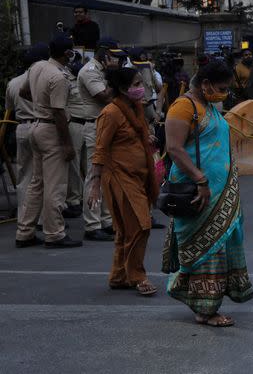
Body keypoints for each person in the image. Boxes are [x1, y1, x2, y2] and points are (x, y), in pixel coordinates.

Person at [163, 60, 253, 326]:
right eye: (221, 88)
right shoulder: (183, 106)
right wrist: (200, 180)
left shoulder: (208, 106)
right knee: (206, 249)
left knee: (219, 246)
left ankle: (207, 301)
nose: (224, 93)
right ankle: (205, 309)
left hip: (219, 191)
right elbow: (174, 149)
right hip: (198, 190)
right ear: (205, 85)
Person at [86, 67, 159, 295]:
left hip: (138, 177)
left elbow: (133, 136)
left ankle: (119, 276)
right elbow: (100, 149)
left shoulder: (135, 108)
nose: (141, 88)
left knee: (126, 230)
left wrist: (146, 138)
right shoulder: (111, 113)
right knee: (141, 225)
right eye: (136, 83)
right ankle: (138, 276)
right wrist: (95, 185)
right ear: (122, 89)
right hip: (119, 177)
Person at [15, 35, 82, 248]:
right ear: (67, 53)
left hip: (35, 126)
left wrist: (40, 104)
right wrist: (67, 144)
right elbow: (59, 113)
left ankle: (24, 232)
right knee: (55, 185)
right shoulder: (59, 77)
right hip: (51, 130)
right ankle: (55, 234)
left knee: (37, 183)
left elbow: (24, 91)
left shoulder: (37, 67)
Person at [76, 45, 125, 240]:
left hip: (106, 125)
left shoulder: (103, 71)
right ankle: (92, 224)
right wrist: (119, 83)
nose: (118, 62)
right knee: (93, 175)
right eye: (115, 58)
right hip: (95, 126)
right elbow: (104, 96)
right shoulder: (90, 72)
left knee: (107, 175)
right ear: (105, 56)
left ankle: (106, 220)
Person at [6, 44, 49, 224]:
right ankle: (43, 219)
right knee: (46, 175)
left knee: (25, 176)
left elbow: (9, 109)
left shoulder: (13, 82)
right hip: (43, 126)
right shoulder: (45, 78)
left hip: (21, 127)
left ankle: (24, 219)